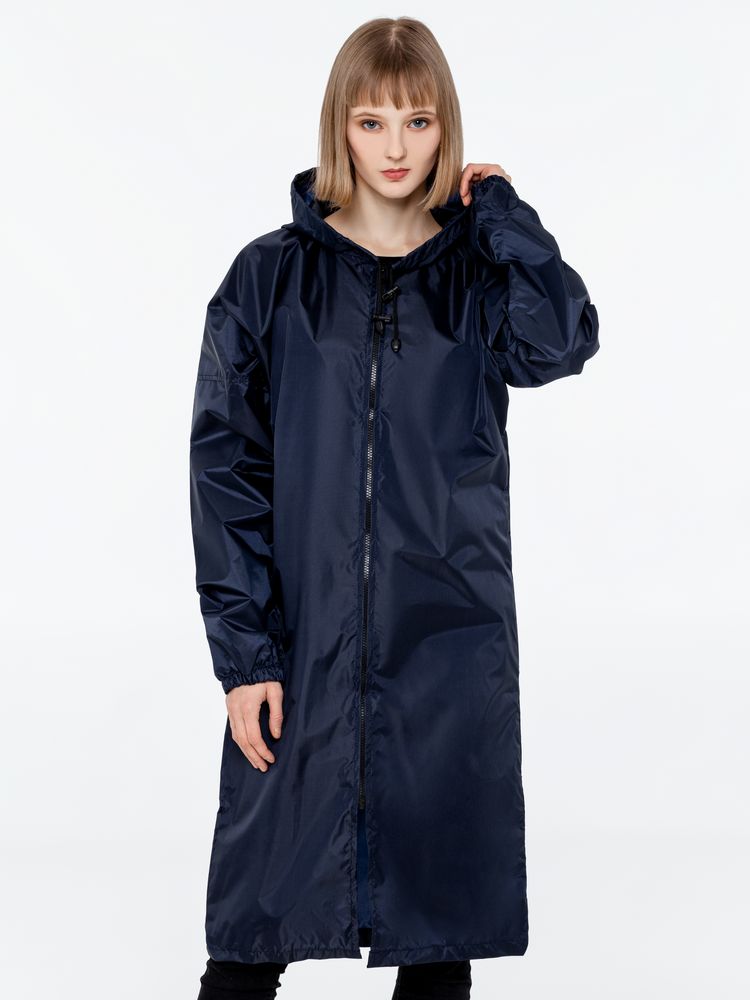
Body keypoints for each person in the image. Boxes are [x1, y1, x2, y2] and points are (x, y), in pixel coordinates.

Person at [189, 15, 600, 1000]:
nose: (396, 148)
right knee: (251, 933)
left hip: (447, 650)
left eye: (419, 121)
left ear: (446, 127)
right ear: (340, 125)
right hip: (305, 647)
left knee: (437, 935)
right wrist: (246, 656)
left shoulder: (478, 276)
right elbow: (225, 468)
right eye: (372, 122)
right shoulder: (269, 278)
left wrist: (504, 217)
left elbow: (561, 341)